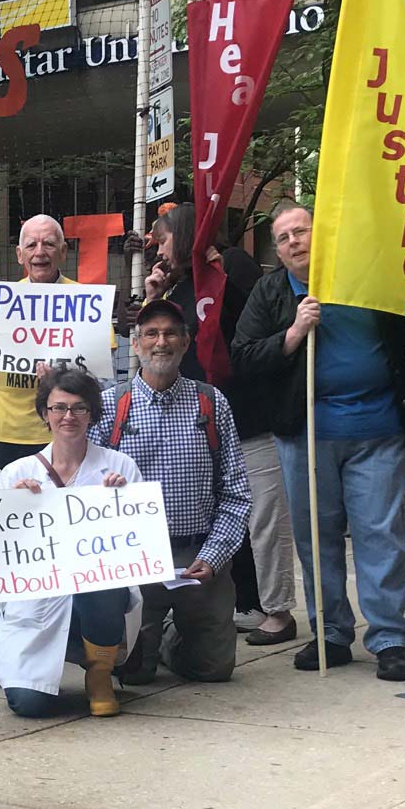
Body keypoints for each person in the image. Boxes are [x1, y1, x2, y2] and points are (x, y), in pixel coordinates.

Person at [231, 202, 405, 680]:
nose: (295, 242)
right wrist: (295, 331)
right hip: (306, 436)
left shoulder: (364, 279)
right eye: (284, 238)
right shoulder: (271, 292)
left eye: (302, 231)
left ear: (322, 236)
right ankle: (331, 634)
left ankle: (388, 638)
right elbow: (244, 356)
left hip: (378, 431)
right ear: (277, 252)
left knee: (380, 536)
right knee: (315, 538)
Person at [150, 203, 295, 647]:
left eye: (164, 236)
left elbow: (260, 313)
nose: (158, 245)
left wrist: (221, 276)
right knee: (220, 517)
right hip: (200, 426)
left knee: (266, 516)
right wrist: (157, 294)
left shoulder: (231, 264)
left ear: (188, 234)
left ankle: (278, 609)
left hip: (249, 417)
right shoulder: (180, 289)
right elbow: (160, 345)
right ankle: (241, 603)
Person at [89, 298, 251, 683]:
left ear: (186, 341)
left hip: (198, 556)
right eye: (150, 334)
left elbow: (237, 493)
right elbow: (85, 492)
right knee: (132, 676)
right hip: (135, 558)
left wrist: (212, 557)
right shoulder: (109, 407)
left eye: (170, 333)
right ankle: (154, 638)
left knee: (213, 670)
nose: (160, 342)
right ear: (136, 342)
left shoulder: (211, 403)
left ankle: (171, 638)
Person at [0, 368, 139, 718]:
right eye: (58, 408)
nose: (68, 417)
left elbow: (134, 548)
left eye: (79, 408)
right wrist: (15, 505)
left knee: (102, 579)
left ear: (92, 414)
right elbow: (4, 556)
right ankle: (37, 674)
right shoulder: (16, 474)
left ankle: (100, 674)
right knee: (29, 705)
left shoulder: (120, 468)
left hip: (96, 603)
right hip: (39, 600)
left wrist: (121, 502)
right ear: (44, 414)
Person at [0, 214, 118, 468]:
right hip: (5, 435)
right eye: (31, 245)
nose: (39, 252)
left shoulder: (88, 304)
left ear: (63, 251)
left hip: (66, 432)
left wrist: (61, 380)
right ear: (19, 254)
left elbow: (105, 382)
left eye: (48, 244)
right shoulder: (0, 305)